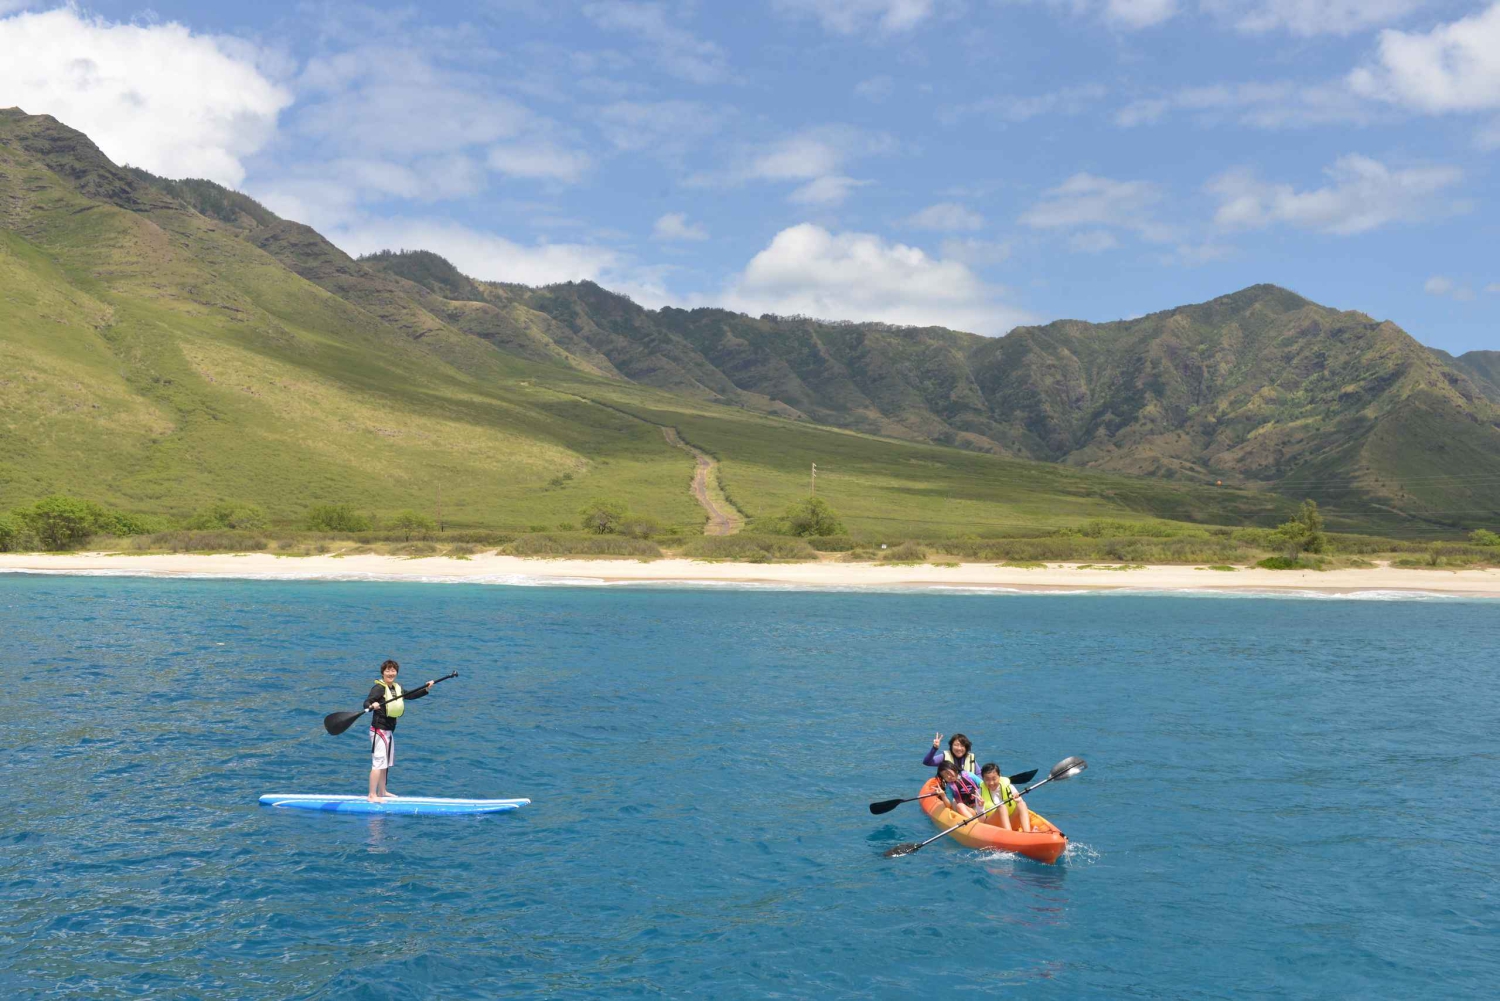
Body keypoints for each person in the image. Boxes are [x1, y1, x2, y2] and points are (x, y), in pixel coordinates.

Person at [366, 659, 435, 802]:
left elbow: (410, 695)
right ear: (383, 673)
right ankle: (372, 795)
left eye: (393, 670)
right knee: (378, 763)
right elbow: (366, 702)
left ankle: (382, 791)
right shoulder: (378, 688)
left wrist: (426, 689)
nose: (391, 673)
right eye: (388, 670)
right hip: (379, 730)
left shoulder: (397, 687)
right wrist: (373, 704)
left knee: (385, 763)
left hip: (389, 731)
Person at [978, 762, 1032, 833]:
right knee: (1002, 807)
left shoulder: (1009, 787)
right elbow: (981, 822)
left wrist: (1018, 800)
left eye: (994, 779)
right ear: (983, 779)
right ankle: (1009, 834)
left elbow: (1021, 806)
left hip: (1010, 822)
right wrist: (981, 807)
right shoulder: (979, 793)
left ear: (999, 776)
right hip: (992, 826)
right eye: (987, 779)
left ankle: (1027, 833)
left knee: (1022, 804)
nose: (991, 783)